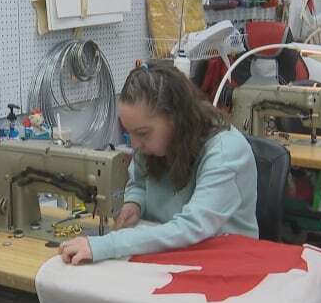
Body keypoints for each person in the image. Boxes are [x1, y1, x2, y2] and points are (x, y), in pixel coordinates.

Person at [59, 64, 258, 264]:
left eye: (143, 133)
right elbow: (139, 183)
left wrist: (106, 244)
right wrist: (134, 203)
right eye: (130, 133)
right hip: (172, 254)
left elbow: (192, 226)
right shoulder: (155, 145)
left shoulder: (226, 151)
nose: (135, 144)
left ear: (176, 118)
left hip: (227, 261)